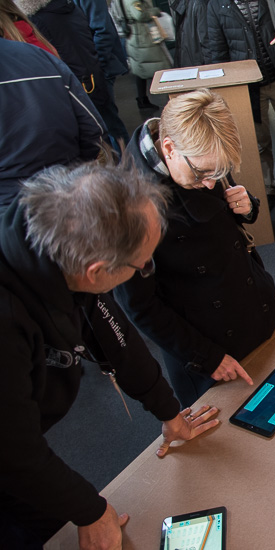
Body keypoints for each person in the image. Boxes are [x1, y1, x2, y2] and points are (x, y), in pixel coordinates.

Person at [0, 160, 219, 548]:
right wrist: (91, 510)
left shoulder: (61, 248)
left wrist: (168, 411)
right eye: (143, 265)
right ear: (96, 271)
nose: (146, 269)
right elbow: (14, 451)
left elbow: (113, 333)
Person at [114, 89, 275, 407]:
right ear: (169, 148)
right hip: (211, 345)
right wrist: (206, 356)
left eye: (218, 172)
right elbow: (140, 307)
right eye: (203, 173)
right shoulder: (130, 205)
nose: (211, 183)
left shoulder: (203, 156)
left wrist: (247, 205)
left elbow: (226, 221)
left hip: (259, 308)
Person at [206, 0, 275, 201]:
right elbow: (217, 52)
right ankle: (268, 188)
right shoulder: (217, 6)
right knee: (259, 143)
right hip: (247, 88)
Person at [0, 38, 107, 208]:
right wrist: (74, 171)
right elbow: (93, 127)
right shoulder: (39, 55)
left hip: (9, 207)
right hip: (68, 193)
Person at [74, 0, 132, 150]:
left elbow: (103, 30)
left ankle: (128, 166)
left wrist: (96, 62)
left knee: (109, 124)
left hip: (97, 69)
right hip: (88, 69)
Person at [111, 0, 172, 111]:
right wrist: (155, 11)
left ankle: (142, 99)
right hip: (143, 37)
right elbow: (140, 14)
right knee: (161, 67)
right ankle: (170, 100)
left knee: (141, 69)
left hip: (136, 36)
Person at [170, 0, 210, 66]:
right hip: (190, 62)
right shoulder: (184, 4)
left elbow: (206, 40)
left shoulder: (198, 4)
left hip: (195, 64)